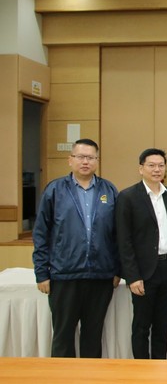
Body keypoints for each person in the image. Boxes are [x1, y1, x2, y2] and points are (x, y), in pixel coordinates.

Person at [32, 138, 120, 358]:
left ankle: (90, 375)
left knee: (93, 337)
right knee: (63, 338)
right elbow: (41, 233)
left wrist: (118, 269)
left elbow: (118, 235)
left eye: (90, 157)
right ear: (70, 160)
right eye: (80, 157)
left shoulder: (109, 190)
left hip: (100, 277)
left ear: (97, 161)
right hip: (64, 276)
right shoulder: (54, 190)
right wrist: (41, 272)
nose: (85, 162)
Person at [115, 148, 167, 359]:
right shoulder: (128, 196)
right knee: (142, 326)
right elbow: (123, 240)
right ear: (141, 168)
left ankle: (160, 368)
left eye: (161, 165)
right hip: (143, 272)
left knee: (163, 325)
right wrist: (132, 276)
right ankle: (141, 371)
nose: (156, 169)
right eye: (151, 165)